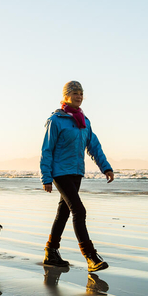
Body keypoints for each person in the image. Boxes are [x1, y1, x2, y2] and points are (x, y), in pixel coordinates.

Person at [40, 81, 114, 272]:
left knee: (63, 213)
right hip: (60, 172)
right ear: (66, 96)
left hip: (76, 172)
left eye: (81, 93)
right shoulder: (56, 120)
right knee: (79, 211)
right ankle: (90, 257)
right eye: (74, 93)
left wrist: (105, 167)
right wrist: (46, 177)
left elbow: (94, 146)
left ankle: (51, 253)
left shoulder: (84, 121)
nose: (79, 96)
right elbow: (47, 149)